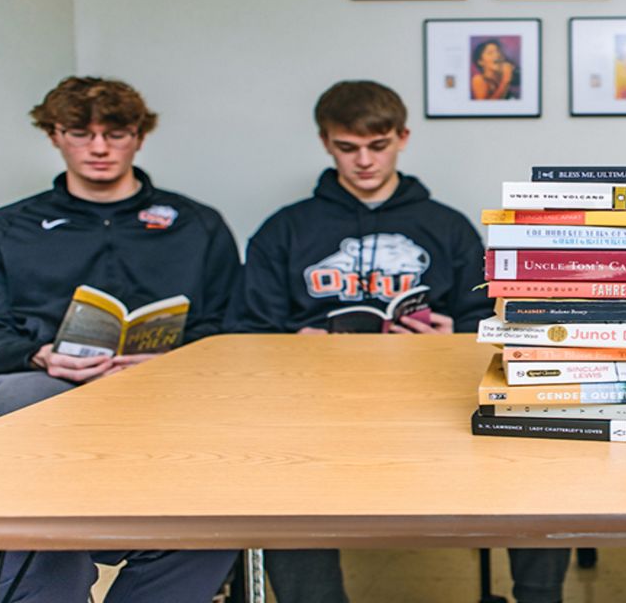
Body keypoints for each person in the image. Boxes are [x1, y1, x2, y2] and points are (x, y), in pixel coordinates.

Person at [228, 80, 566, 603]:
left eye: (377, 145)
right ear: (325, 143)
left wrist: (452, 330)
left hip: (429, 393)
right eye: (347, 148)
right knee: (277, 474)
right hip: (316, 404)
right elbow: (247, 330)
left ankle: (539, 596)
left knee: (538, 431)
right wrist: (298, 340)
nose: (364, 161)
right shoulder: (285, 230)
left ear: (403, 137)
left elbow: (490, 323)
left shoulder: (447, 227)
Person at [0, 76, 240, 600]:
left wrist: (170, 364)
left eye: (115, 133)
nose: (99, 148)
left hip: (171, 400)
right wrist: (39, 355)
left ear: (139, 136)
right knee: (21, 402)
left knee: (219, 514)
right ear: (54, 135)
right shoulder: (3, 228)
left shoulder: (196, 225)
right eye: (80, 132)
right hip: (46, 395)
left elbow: (234, 327)